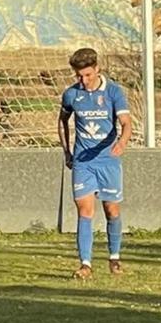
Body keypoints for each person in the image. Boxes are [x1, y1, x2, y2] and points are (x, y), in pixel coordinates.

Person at [58, 47, 131, 279]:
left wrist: (122, 142)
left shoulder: (113, 92)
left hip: (108, 161)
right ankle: (86, 264)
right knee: (85, 210)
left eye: (88, 75)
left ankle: (114, 257)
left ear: (97, 69)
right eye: (79, 76)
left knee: (111, 210)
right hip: (82, 163)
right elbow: (62, 122)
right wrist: (67, 151)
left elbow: (127, 123)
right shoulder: (71, 95)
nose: (84, 80)